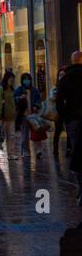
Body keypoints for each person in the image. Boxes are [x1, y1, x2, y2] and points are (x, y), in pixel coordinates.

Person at [55, 53, 82, 205]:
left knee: (77, 153)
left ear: (72, 61)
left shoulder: (66, 78)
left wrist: (66, 116)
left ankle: (81, 187)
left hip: (73, 120)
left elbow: (59, 101)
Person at [0, 70, 17, 152]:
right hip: (3, 117)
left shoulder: (12, 90)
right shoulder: (1, 89)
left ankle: (11, 153)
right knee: (1, 136)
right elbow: (0, 102)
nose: (12, 81)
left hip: (11, 116)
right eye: (11, 79)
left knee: (11, 136)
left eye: (13, 79)